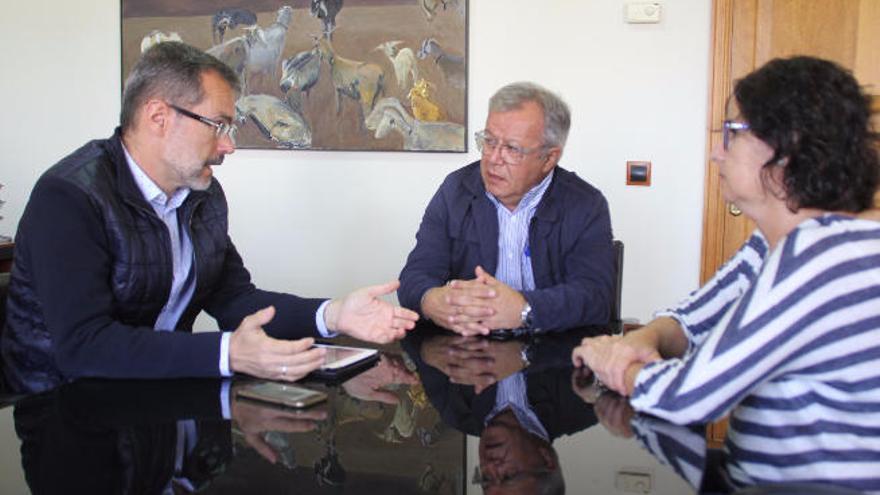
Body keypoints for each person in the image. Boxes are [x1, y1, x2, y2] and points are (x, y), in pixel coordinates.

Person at [1, 42, 418, 394]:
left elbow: (237, 301)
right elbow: (83, 346)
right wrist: (228, 353)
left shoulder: (202, 195)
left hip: (156, 403)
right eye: (218, 125)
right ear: (158, 117)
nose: (228, 146)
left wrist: (334, 314)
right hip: (65, 413)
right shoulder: (69, 197)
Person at [572, 56, 880, 489]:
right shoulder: (780, 242)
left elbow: (691, 396)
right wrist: (640, 341)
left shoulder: (823, 255)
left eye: (733, 134)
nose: (716, 151)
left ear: (785, 150)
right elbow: (693, 317)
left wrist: (612, 362)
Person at [398, 82, 614, 336]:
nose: (492, 158)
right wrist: (432, 301)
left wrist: (525, 309)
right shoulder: (456, 190)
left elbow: (595, 296)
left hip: (551, 358)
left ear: (549, 158)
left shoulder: (585, 204)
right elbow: (416, 275)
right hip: (469, 357)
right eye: (489, 141)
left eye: (511, 148)